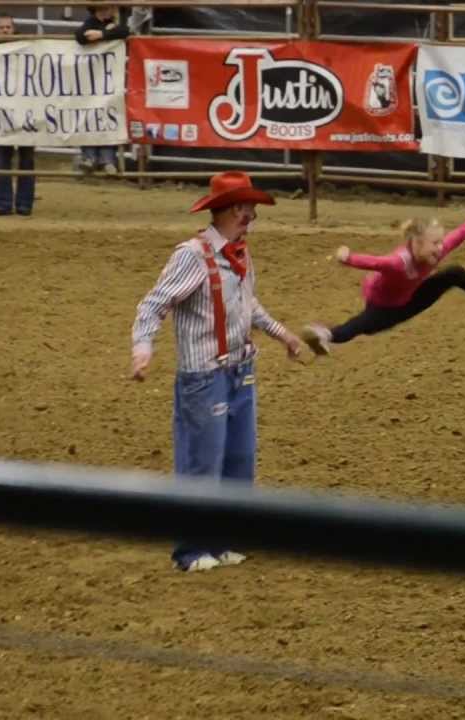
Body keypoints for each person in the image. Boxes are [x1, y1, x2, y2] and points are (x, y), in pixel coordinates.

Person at [130, 171, 304, 573]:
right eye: (246, 207)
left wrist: (284, 335)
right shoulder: (191, 256)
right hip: (204, 376)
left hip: (240, 370)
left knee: (238, 460)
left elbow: (249, 306)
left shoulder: (240, 254)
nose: (253, 214)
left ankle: (224, 540)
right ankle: (191, 549)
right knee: (201, 464)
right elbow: (153, 305)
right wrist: (143, 347)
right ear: (228, 210)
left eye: (252, 207)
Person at [301, 194, 465, 356]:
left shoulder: (436, 251)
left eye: (440, 242)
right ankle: (324, 335)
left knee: (455, 273)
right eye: (434, 243)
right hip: (385, 308)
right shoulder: (399, 262)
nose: (440, 248)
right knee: (360, 325)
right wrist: (348, 258)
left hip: (413, 297)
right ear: (417, 243)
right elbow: (376, 262)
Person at [74, 5, 147, 176]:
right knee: (92, 115)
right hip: (93, 77)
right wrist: (106, 33)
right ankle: (91, 157)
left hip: (107, 78)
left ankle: (106, 159)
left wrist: (102, 35)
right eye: (109, 8)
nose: (112, 10)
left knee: (108, 115)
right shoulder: (91, 23)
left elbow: (124, 32)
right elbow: (80, 36)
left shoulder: (109, 24)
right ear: (101, 10)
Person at [0, 15, 35, 216]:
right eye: (2, 27)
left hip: (26, 110)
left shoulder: (26, 48)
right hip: (1, 111)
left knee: (26, 158)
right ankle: (4, 204)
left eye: (8, 27)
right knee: (2, 158)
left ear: (14, 29)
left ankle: (23, 204)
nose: (5, 30)